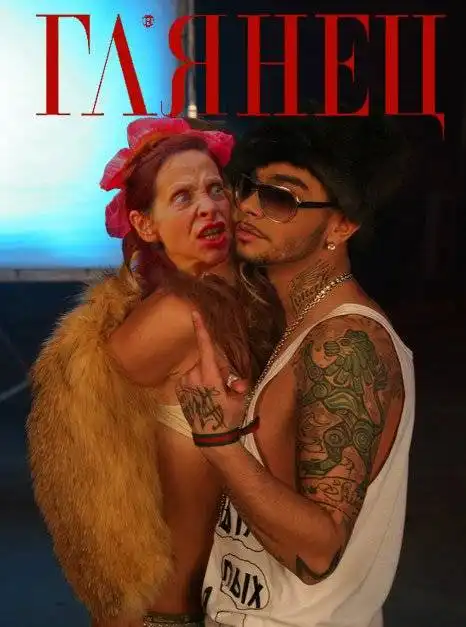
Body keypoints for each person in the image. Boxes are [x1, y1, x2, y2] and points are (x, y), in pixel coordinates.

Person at [26, 117, 283, 627]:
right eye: (183, 197)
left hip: (231, 604)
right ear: (146, 226)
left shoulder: (239, 299)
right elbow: (84, 463)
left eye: (215, 189)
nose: (208, 206)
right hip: (164, 616)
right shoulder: (175, 317)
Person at [175, 115, 415, 627]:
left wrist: (218, 441)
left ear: (342, 225)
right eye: (247, 187)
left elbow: (318, 552)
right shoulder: (295, 323)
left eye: (280, 198)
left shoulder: (347, 343)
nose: (247, 207)